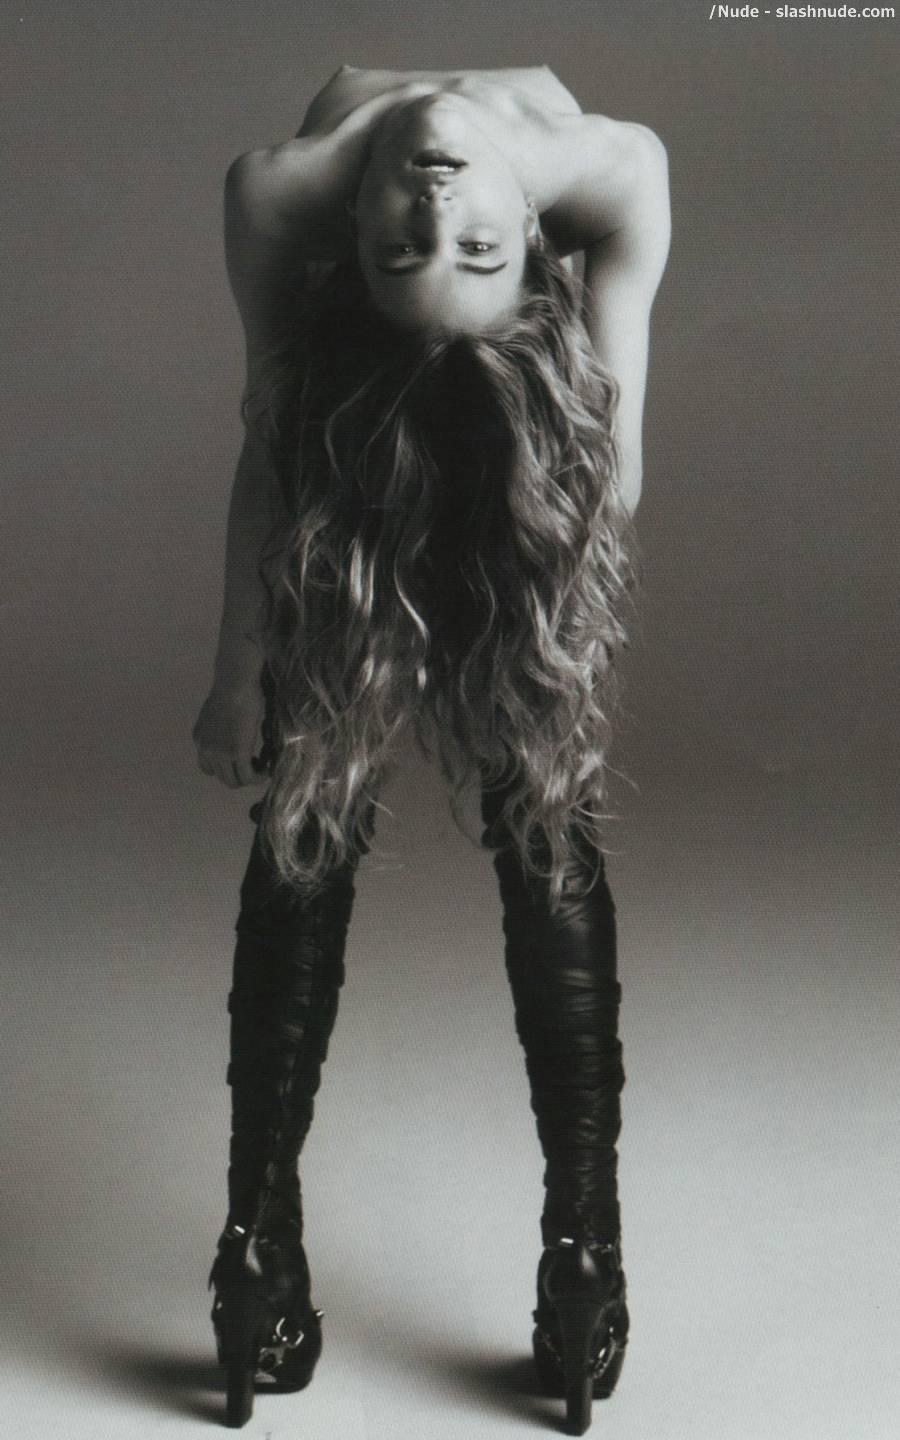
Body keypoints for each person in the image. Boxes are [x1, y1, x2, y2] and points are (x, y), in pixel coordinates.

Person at [192, 63, 670, 1434]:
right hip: (353, 448)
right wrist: (240, 672)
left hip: (509, 456)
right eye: (425, 248)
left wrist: (533, 606)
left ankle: (257, 1260)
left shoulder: (286, 188)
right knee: (335, 801)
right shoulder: (608, 165)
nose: (440, 206)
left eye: (450, 246)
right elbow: (277, 448)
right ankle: (580, 1264)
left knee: (518, 802)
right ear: (351, 247)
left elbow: (606, 465)